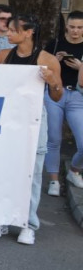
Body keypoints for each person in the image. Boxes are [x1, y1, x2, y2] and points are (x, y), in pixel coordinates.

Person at [0, 14, 62, 245]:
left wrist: (52, 80)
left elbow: (57, 95)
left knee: (33, 172)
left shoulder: (47, 59)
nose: (8, 33)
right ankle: (1, 218)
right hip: (6, 117)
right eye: (7, 29)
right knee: (4, 169)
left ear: (29, 32)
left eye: (13, 30)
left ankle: (28, 224)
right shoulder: (3, 55)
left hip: (34, 119)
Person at [44, 10, 83, 195]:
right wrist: (55, 61)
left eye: (80, 27)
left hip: (77, 95)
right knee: (54, 139)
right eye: (72, 27)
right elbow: (41, 66)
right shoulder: (55, 43)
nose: (75, 31)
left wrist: (80, 66)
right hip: (54, 92)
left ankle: (74, 171)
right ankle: (54, 180)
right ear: (66, 26)